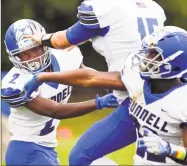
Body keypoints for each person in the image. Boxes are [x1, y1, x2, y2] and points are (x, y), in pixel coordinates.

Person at [23, 0, 167, 165]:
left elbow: (61, 42)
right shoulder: (152, 7)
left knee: (80, 157)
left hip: (134, 100)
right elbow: (123, 34)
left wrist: (42, 38)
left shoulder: (104, 7)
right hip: (161, 94)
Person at [22, 25, 187, 165]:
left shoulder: (185, 101)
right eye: (148, 51)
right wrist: (43, 76)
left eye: (154, 54)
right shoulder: (138, 80)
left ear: (175, 64)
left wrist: (170, 149)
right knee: (83, 158)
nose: (146, 57)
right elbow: (90, 78)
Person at [1, 19, 119, 166]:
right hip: (24, 150)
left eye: (35, 49)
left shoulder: (64, 55)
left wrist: (114, 88)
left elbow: (89, 76)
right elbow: (55, 110)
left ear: (44, 45)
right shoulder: (14, 84)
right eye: (24, 54)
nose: (33, 58)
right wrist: (98, 103)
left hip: (49, 147)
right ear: (14, 57)